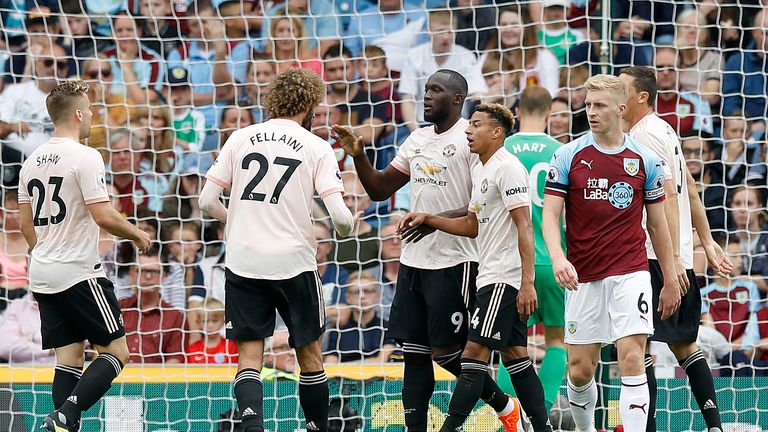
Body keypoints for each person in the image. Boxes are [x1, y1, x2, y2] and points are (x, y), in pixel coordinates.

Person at [332, 69, 520, 432]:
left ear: (456, 99)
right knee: (415, 356)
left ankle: (505, 404)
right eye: (426, 90)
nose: (427, 96)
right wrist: (358, 155)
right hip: (413, 262)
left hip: (456, 260)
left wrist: (431, 218)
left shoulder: (473, 140)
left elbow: (479, 205)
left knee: (449, 353)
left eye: (436, 90)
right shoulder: (416, 138)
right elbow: (379, 189)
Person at [198, 68, 361, 432]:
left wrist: (237, 220)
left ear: (273, 100)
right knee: (309, 354)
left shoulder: (240, 137)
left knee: (250, 357)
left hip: (244, 261)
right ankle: (316, 426)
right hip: (294, 263)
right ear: (310, 106)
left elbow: (207, 201)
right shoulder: (317, 147)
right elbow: (340, 217)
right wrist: (350, 223)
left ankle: (253, 427)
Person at [399, 103, 552, 431]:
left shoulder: (507, 167)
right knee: (516, 358)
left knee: (471, 357)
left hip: (504, 278)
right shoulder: (482, 169)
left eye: (477, 125)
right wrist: (430, 218)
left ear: (496, 132)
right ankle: (541, 427)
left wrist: (526, 283)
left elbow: (524, 226)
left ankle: (449, 428)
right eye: (470, 126)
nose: (469, 130)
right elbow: (472, 224)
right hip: (490, 274)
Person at [541, 74, 681, 432]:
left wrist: (668, 276)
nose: (590, 112)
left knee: (633, 355)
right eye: (587, 105)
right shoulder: (568, 154)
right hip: (582, 277)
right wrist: (558, 257)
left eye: (599, 105)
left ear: (621, 109)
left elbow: (658, 225)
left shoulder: (645, 160)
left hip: (630, 273)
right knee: (580, 368)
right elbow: (551, 215)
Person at [16, 80, 151, 431]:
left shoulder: (30, 162)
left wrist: (42, 249)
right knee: (117, 353)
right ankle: (68, 414)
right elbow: (103, 215)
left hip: (43, 273)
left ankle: (61, 424)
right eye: (89, 110)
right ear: (78, 114)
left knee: (70, 359)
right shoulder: (86, 156)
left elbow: (24, 223)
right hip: (78, 271)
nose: (92, 116)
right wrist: (138, 234)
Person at [619, 66, 733, 432]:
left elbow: (668, 193)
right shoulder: (663, 129)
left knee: (636, 346)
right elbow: (691, 189)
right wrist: (707, 241)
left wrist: (673, 265)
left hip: (655, 256)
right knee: (683, 344)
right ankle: (714, 424)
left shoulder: (645, 135)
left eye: (621, 89)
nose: (615, 96)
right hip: (671, 255)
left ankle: (646, 428)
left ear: (641, 97)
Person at [502, 86, 567, 415]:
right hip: (553, 261)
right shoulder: (562, 151)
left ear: (515, 113)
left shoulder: (501, 149)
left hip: (511, 263)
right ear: (549, 115)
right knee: (557, 341)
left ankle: (506, 416)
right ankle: (540, 410)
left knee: (510, 347)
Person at [399, 10, 487, 132]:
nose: (446, 37)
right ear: (429, 32)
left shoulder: (466, 57)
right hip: (423, 124)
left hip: (459, 126)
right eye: (440, 31)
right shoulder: (414, 56)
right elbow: (407, 98)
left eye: (450, 31)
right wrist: (415, 132)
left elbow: (477, 94)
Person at [119, 249, 186, 364]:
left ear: (164, 276)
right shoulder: (118, 308)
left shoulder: (175, 317)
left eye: (154, 271)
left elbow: (174, 361)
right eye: (142, 271)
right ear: (132, 273)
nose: (148, 276)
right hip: (116, 379)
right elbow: (102, 351)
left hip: (156, 381)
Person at [324, 272, 396, 363]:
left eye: (367, 291)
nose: (362, 296)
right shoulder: (338, 330)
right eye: (356, 292)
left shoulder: (387, 328)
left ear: (377, 296)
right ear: (347, 297)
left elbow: (381, 361)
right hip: (343, 377)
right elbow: (330, 364)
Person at [186, 298, 239, 364]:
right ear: (198, 323)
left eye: (214, 321)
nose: (210, 325)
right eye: (205, 321)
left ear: (223, 322)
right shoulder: (192, 349)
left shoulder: (230, 346)